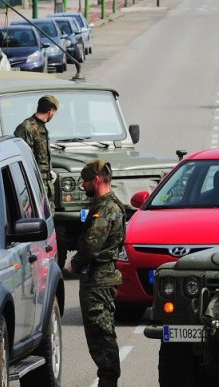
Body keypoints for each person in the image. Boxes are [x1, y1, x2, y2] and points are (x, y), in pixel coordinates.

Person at [66, 159, 126, 387]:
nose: (83, 185)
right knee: (99, 333)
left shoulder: (106, 208)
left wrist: (74, 264)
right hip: (99, 278)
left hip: (99, 279)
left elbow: (92, 245)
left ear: (97, 179)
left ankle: (108, 379)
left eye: (86, 181)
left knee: (101, 334)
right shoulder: (105, 205)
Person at [15, 95, 59, 200]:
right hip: (34, 186)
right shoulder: (26, 128)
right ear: (51, 111)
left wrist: (49, 171)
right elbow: (21, 159)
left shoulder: (41, 127)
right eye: (54, 113)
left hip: (45, 185)